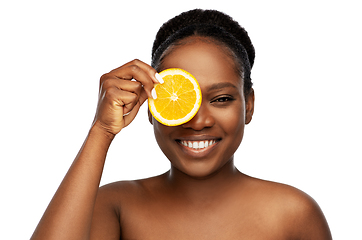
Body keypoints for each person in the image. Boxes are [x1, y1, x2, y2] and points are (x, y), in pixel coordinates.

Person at [31, 9, 332, 240]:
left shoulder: (294, 213)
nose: (198, 121)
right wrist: (102, 131)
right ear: (151, 107)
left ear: (248, 105)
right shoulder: (116, 205)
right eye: (179, 101)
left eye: (221, 99)